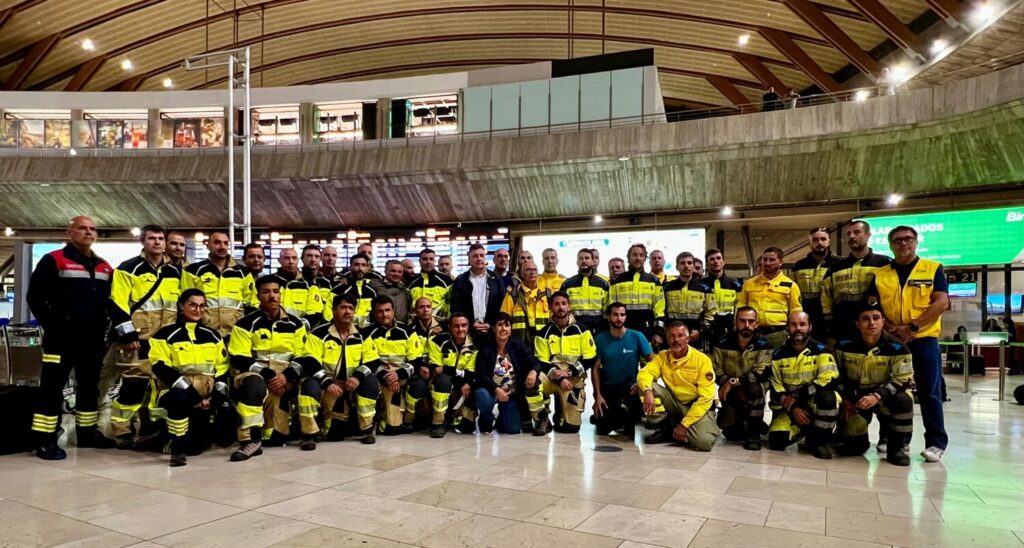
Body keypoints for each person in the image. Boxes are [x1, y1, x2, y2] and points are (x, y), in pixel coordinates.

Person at [29, 216, 116, 460]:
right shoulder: (54, 260)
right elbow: (35, 297)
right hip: (61, 339)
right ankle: (45, 439)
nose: (88, 232)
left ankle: (87, 433)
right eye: (82, 228)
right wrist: (55, 326)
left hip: (93, 339)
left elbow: (109, 302)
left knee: (89, 387)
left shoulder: (103, 266)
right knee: (52, 388)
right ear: (70, 232)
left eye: (92, 229)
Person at [867, 225, 950, 463]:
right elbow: (874, 305)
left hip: (923, 340)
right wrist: (892, 328)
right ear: (891, 245)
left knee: (929, 392)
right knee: (890, 390)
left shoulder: (932, 268)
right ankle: (893, 439)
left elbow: (941, 302)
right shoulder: (881, 273)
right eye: (898, 240)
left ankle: (936, 442)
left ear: (916, 242)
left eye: (908, 239)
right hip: (891, 340)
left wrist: (913, 327)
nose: (904, 244)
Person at [106, 224, 181, 448]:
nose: (157, 242)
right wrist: (128, 336)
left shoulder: (173, 271)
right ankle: (122, 430)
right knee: (133, 386)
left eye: (160, 238)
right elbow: (117, 303)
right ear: (143, 241)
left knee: (159, 386)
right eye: (152, 238)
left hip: (164, 341)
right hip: (138, 339)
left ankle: (151, 428)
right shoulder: (128, 269)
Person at [228, 275, 317, 460]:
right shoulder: (245, 324)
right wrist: (268, 374)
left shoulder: (296, 324)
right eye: (266, 292)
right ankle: (250, 440)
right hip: (255, 373)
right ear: (258, 295)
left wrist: (286, 376)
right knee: (253, 384)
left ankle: (308, 434)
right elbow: (238, 357)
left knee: (276, 437)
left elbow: (304, 355)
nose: (272, 296)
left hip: (286, 377)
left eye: (276, 291)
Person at [148, 289, 230, 466]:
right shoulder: (164, 334)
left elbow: (222, 368)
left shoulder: (213, 336)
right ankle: (176, 449)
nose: (197, 310)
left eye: (202, 306)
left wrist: (215, 396)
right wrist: (193, 395)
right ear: (181, 306)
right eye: (192, 305)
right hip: (174, 394)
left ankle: (164, 439)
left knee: (196, 448)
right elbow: (161, 368)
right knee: (179, 398)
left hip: (205, 398)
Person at [834, 302, 914, 466]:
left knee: (904, 401)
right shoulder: (842, 346)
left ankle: (897, 448)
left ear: (883, 321)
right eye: (865, 319)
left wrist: (877, 395)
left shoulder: (898, 348)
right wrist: (846, 399)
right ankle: (857, 441)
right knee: (853, 448)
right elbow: (836, 375)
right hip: (856, 398)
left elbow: (903, 379)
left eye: (876, 318)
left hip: (886, 395)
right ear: (858, 324)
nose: (871, 323)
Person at [304, 293, 381, 445]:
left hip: (352, 385)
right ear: (333, 310)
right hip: (327, 385)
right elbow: (310, 361)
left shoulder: (362, 334)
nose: (347, 312)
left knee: (371, 381)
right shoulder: (318, 333)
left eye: (351, 308)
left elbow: (373, 360)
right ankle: (310, 434)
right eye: (343, 307)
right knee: (308, 386)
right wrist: (327, 383)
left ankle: (367, 428)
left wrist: (357, 377)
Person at [767, 311, 839, 459]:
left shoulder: (823, 350)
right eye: (793, 324)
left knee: (828, 397)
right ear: (787, 328)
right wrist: (793, 408)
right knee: (776, 441)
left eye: (802, 324)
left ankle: (820, 442)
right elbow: (776, 386)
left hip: (815, 402)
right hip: (788, 407)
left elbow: (827, 380)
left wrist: (797, 397)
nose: (798, 328)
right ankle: (805, 430)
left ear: (810, 327)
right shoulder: (777, 354)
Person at [638, 322, 720, 451]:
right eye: (672, 336)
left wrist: (684, 425)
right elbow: (645, 373)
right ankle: (664, 428)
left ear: (688, 339)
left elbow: (705, 398)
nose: (676, 340)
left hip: (698, 406)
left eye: (681, 336)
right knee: (645, 386)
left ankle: (703, 428)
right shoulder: (663, 356)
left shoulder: (702, 360)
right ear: (667, 339)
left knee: (703, 443)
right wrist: (647, 390)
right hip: (675, 403)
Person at [533, 291, 597, 434]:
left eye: (563, 304)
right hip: (552, 377)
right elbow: (541, 361)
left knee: (570, 428)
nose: (560, 307)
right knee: (533, 383)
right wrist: (560, 377)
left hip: (573, 379)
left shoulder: (582, 330)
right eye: (556, 304)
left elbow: (590, 358)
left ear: (569, 306)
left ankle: (561, 413)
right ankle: (542, 419)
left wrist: (569, 373)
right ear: (550, 307)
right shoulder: (543, 333)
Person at [712, 307, 773, 450]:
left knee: (754, 387)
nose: (747, 325)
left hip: (754, 388)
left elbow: (760, 372)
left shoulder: (765, 344)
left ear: (756, 323)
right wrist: (727, 382)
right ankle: (748, 421)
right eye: (742, 321)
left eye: (751, 321)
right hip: (729, 389)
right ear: (735, 322)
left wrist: (735, 382)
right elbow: (715, 368)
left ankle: (754, 434)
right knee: (732, 433)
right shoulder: (722, 342)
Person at [363, 296, 426, 435]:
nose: (384, 314)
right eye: (380, 311)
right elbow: (369, 361)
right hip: (381, 378)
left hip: (403, 377)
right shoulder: (367, 333)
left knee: (420, 385)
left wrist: (398, 374)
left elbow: (416, 359)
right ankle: (380, 419)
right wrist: (387, 376)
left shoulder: (408, 331)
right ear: (373, 313)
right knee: (393, 428)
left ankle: (409, 420)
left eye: (387, 310)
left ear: (393, 311)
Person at [821, 220, 891, 341]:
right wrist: (829, 323)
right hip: (843, 329)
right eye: (848, 234)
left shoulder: (885, 263)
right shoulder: (835, 268)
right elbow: (826, 298)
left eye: (856, 232)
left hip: (877, 330)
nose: (851, 236)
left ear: (868, 235)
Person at [475, 313, 543, 434]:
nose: (503, 329)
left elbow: (535, 362)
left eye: (507, 325)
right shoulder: (485, 348)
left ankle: (501, 417)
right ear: (493, 328)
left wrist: (533, 372)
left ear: (511, 328)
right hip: (491, 391)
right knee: (482, 395)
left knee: (512, 430)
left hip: (511, 394)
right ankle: (486, 419)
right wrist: (496, 389)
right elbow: (481, 375)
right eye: (500, 325)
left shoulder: (518, 345)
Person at [592, 302, 653, 437]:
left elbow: (653, 363)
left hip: (630, 388)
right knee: (602, 430)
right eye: (615, 315)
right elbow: (595, 369)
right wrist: (597, 395)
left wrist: (642, 383)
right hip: (608, 387)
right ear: (608, 317)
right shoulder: (600, 340)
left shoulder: (637, 336)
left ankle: (630, 414)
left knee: (629, 430)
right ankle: (617, 414)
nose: (619, 318)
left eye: (622, 315)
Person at [183, 231, 251, 337]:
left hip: (235, 334)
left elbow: (251, 303)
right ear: (208, 245)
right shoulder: (193, 271)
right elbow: (186, 303)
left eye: (225, 243)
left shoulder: (243, 273)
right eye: (217, 242)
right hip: (204, 333)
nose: (222, 247)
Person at [737, 247, 802, 348]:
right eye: (764, 259)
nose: (767, 263)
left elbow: (795, 312)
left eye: (771, 260)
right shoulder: (749, 284)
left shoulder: (790, 285)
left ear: (781, 262)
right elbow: (740, 307)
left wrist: (796, 332)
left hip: (778, 334)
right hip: (752, 332)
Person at [428, 313, 479, 435]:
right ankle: (438, 423)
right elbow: (436, 369)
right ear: (449, 327)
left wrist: (448, 370)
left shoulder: (474, 346)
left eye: (463, 325)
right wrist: (460, 376)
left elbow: (470, 373)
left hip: (462, 385)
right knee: (443, 380)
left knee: (475, 384)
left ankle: (464, 418)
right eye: (456, 326)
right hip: (439, 383)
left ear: (468, 327)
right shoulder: (436, 341)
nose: (460, 329)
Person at [609, 244, 665, 341]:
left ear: (644, 259)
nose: (638, 258)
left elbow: (659, 310)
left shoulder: (654, 281)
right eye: (634, 255)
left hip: (647, 332)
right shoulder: (617, 281)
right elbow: (611, 307)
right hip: (622, 331)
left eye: (641, 255)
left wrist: (658, 333)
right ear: (628, 258)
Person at [793, 228, 838, 341]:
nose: (820, 243)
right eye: (815, 240)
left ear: (829, 241)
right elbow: (794, 295)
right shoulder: (799, 266)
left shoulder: (839, 264)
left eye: (823, 239)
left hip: (833, 319)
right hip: (807, 319)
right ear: (810, 243)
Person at [451, 243, 504, 342]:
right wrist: (470, 323)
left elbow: (502, 305)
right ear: (469, 259)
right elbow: (455, 306)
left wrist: (492, 324)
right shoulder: (461, 280)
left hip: (492, 331)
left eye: (481, 255)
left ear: (485, 258)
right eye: (475, 256)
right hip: (468, 331)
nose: (479, 259)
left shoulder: (496, 279)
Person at [662, 252, 712, 349]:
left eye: (689, 263)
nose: (686, 266)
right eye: (682, 263)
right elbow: (661, 311)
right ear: (677, 267)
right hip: (672, 338)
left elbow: (711, 313)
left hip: (695, 338)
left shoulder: (705, 288)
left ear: (693, 267)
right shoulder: (667, 287)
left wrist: (700, 331)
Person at [500, 260, 549, 346]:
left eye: (534, 270)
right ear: (521, 274)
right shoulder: (512, 294)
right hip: (519, 344)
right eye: (528, 270)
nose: (532, 272)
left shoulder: (547, 294)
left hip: (543, 343)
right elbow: (503, 320)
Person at [560, 248, 610, 333]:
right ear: (577, 262)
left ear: (593, 261)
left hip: (597, 329)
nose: (584, 261)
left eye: (587, 258)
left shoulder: (603, 284)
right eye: (581, 258)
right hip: (574, 329)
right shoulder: (567, 284)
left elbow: (607, 309)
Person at [703, 248, 742, 343]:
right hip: (707, 331)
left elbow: (739, 308)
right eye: (712, 259)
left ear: (723, 262)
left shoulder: (735, 285)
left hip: (729, 331)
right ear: (707, 265)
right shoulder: (701, 285)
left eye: (718, 258)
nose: (716, 261)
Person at [328, 253, 377, 327]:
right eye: (356, 264)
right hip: (343, 332)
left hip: (367, 333)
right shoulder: (338, 291)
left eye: (363, 265)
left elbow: (376, 315)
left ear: (368, 268)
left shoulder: (372, 292)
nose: (360, 268)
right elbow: (328, 315)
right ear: (350, 267)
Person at [274, 248, 323, 321]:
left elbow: (315, 312)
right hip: (273, 329)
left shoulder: (309, 284)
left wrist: (297, 327)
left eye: (294, 258)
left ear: (298, 260)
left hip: (300, 330)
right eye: (287, 258)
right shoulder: (269, 282)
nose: (291, 261)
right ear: (279, 260)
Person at [407, 248, 452, 321]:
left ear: (435, 261)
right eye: (425, 259)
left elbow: (453, 306)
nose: (428, 262)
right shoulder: (411, 282)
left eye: (431, 259)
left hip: (440, 326)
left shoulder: (447, 281)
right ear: (419, 261)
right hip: (415, 326)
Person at [301, 244, 334, 314]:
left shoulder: (327, 283)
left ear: (320, 259)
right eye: (309, 256)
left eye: (317, 256)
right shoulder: (295, 282)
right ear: (302, 259)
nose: (313, 259)